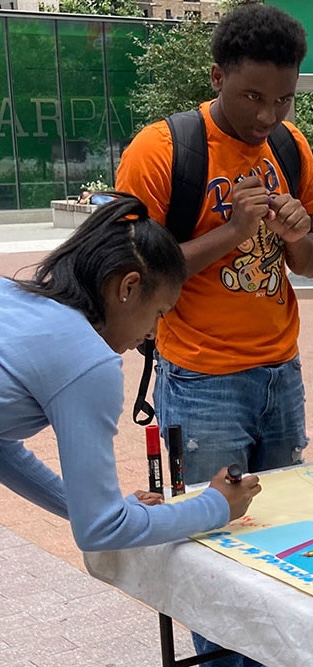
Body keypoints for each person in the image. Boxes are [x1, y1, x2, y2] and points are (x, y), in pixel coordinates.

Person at [116, 5, 313, 667]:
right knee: (215, 544)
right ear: (217, 77)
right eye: (253, 97)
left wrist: (296, 232)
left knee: (274, 536)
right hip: (201, 378)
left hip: (280, 372)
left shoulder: (291, 148)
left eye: (284, 98)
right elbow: (133, 272)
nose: (269, 115)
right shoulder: (162, 148)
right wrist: (233, 232)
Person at [0, 195, 260, 552]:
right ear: (128, 287)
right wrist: (216, 505)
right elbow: (102, 530)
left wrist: (95, 508)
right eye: (158, 312)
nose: (153, 333)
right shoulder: (87, 361)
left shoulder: (13, 295)